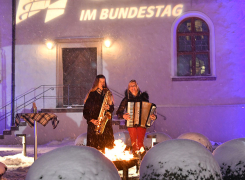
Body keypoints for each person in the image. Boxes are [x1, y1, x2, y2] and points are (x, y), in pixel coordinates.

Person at [116, 80, 156, 155]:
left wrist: (152, 116)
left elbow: (148, 110)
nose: (132, 87)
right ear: (128, 88)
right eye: (130, 86)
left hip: (142, 123)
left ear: (137, 86)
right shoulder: (126, 99)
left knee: (140, 143)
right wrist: (123, 115)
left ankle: (142, 160)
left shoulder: (143, 97)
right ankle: (136, 160)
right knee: (134, 144)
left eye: (134, 85)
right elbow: (118, 113)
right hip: (131, 123)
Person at [83, 74, 114, 152]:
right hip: (95, 125)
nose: (102, 83)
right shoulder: (91, 94)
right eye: (100, 81)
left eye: (104, 81)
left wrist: (109, 108)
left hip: (106, 126)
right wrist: (92, 120)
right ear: (96, 82)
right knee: (94, 150)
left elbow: (112, 108)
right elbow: (85, 111)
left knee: (106, 149)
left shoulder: (107, 93)